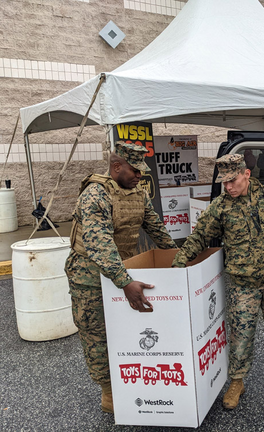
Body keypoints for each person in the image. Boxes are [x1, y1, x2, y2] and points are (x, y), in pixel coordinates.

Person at [171, 154, 264, 410]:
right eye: (224, 182)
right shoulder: (220, 207)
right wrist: (177, 265)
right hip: (243, 286)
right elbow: (199, 236)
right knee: (241, 336)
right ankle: (237, 381)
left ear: (246, 174)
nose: (228, 187)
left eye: (232, 180)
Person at [64, 141, 177, 414]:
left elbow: (155, 227)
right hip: (89, 274)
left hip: (123, 268)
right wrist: (125, 282)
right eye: (135, 171)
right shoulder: (95, 195)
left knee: (126, 329)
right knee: (96, 333)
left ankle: (130, 379)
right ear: (116, 167)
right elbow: (98, 243)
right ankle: (109, 393)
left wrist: (179, 258)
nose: (140, 176)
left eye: (141, 171)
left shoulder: (137, 192)